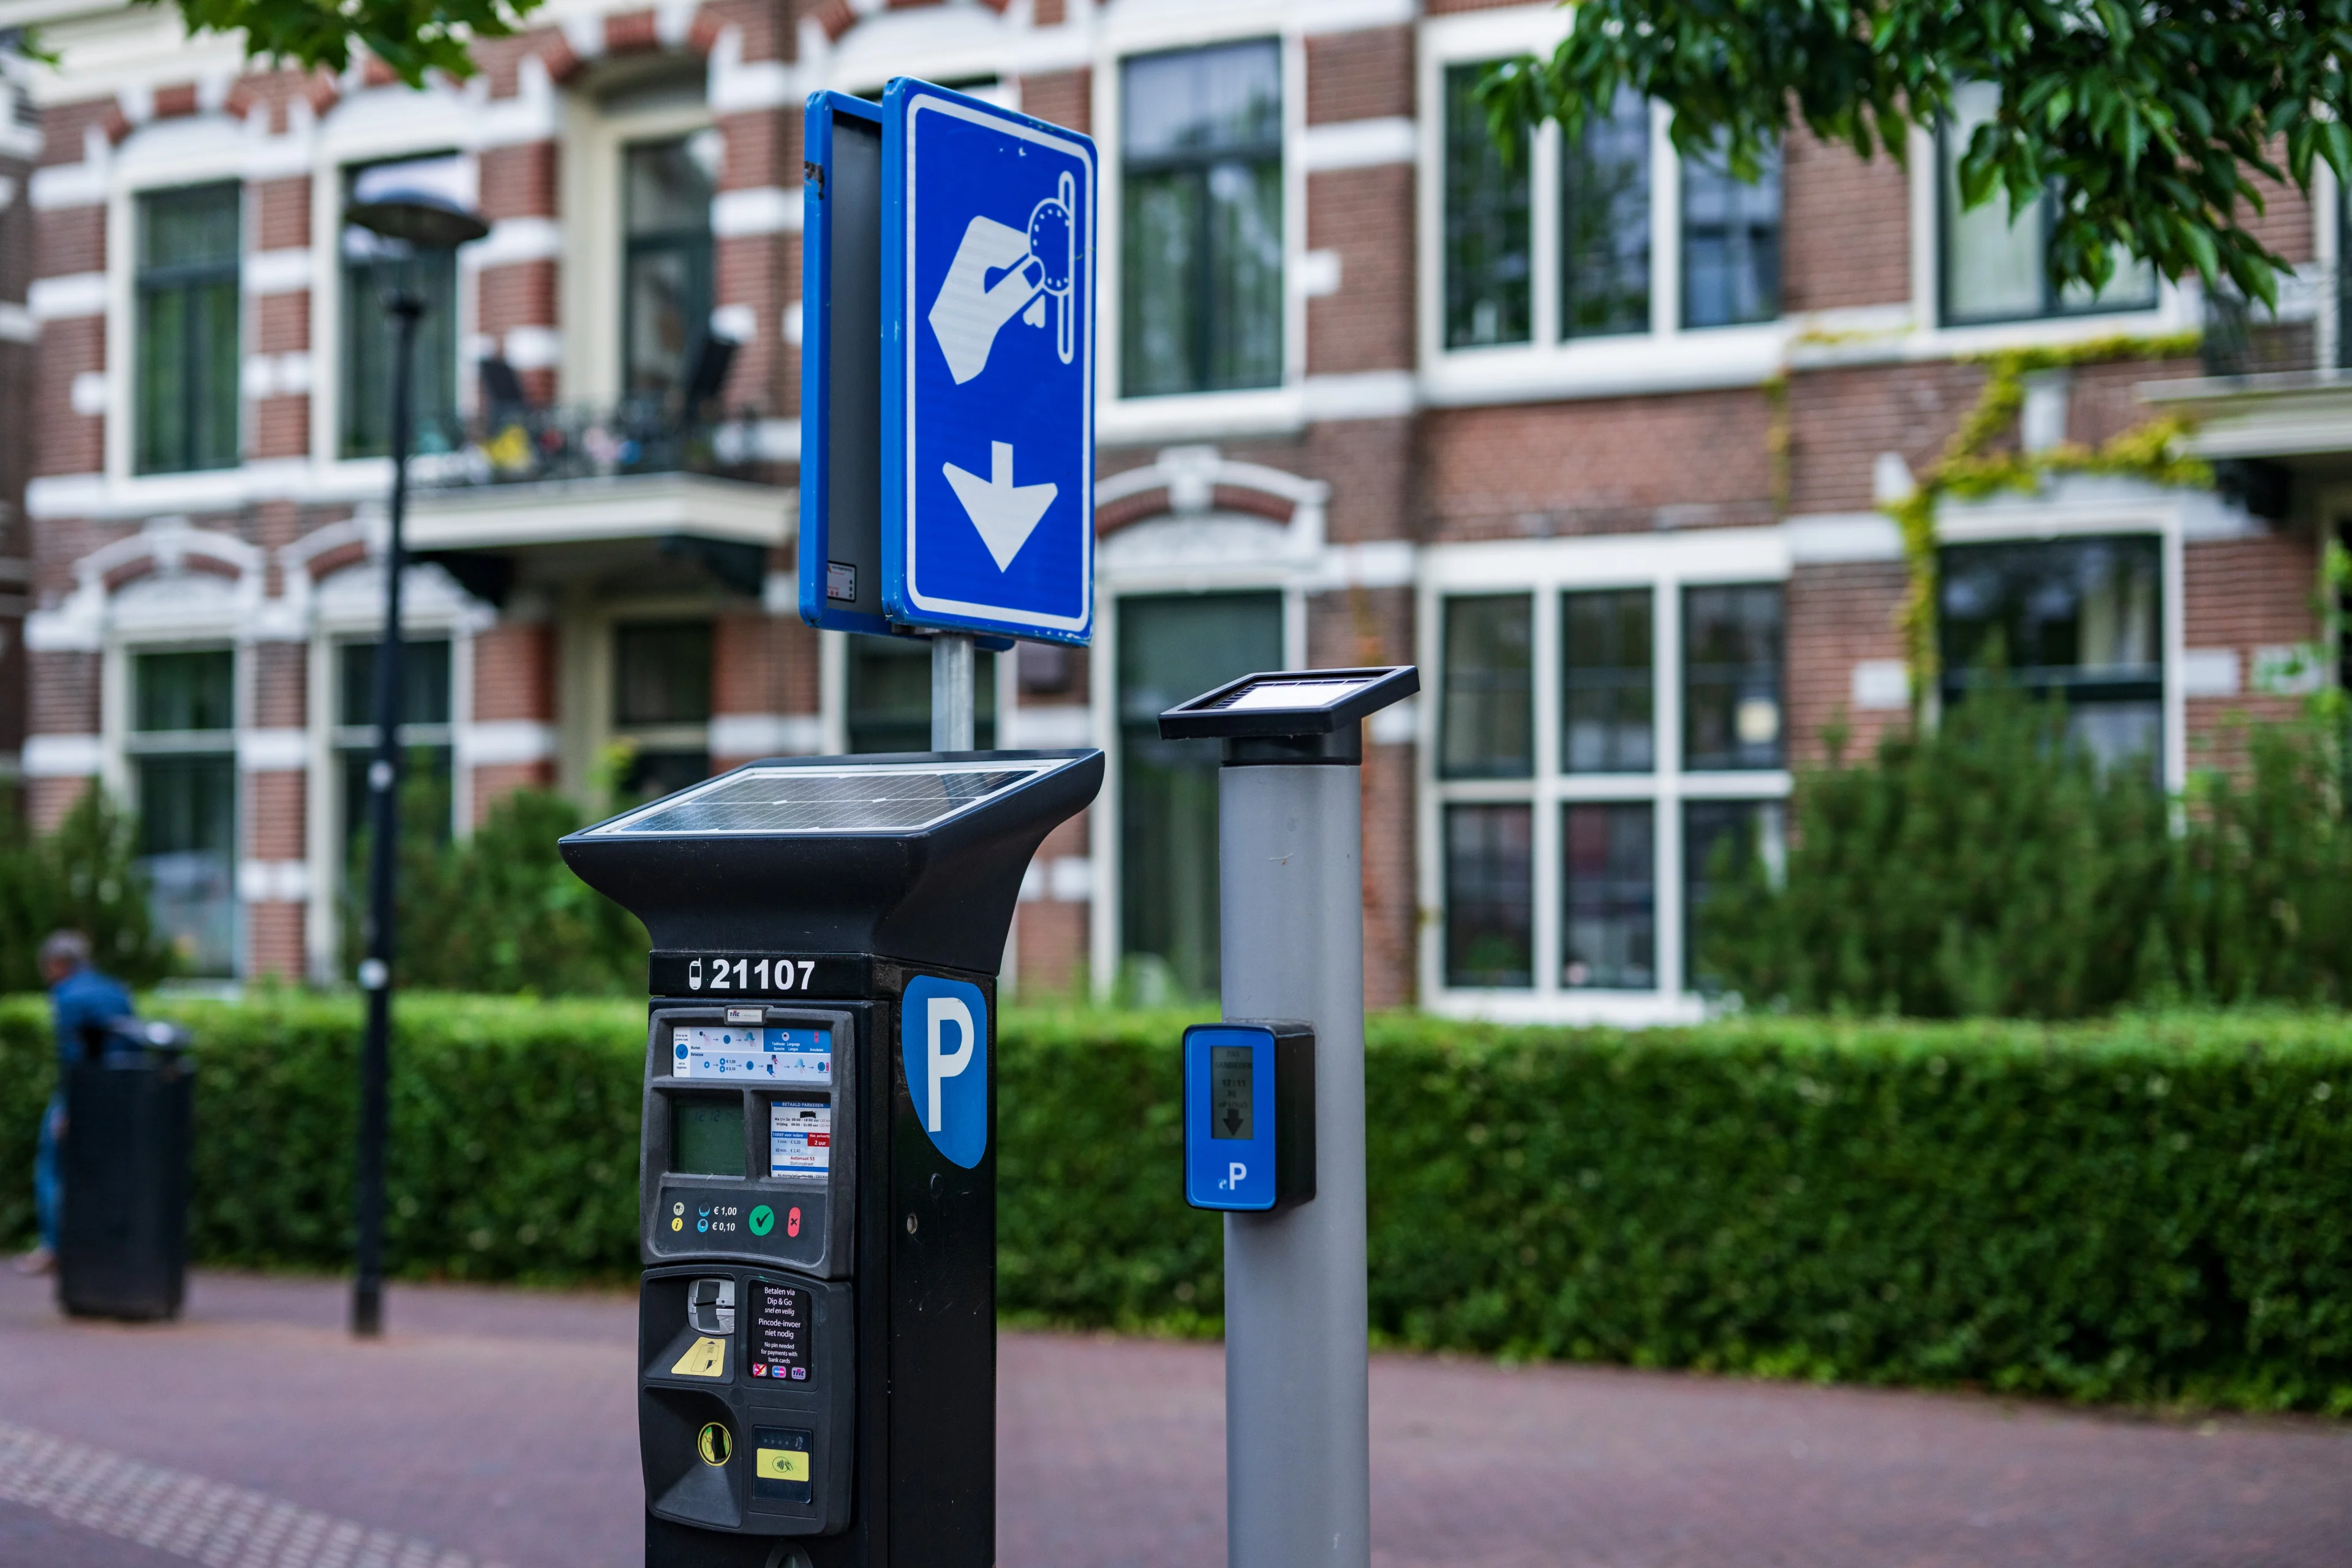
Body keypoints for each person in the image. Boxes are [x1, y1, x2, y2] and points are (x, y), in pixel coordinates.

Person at [15, 931, 135, 1277]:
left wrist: (69, 1107)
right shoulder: (115, 989)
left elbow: (73, 1055)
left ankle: (55, 1248)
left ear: (57, 964)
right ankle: (103, 1247)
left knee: (52, 1167)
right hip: (121, 1092)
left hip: (82, 1091)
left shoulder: (67, 995)